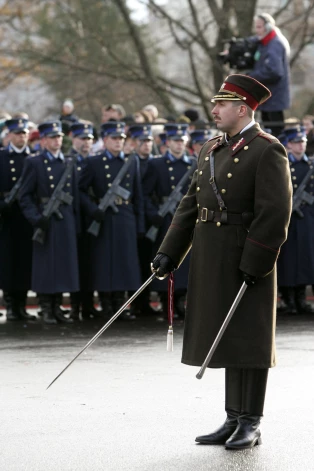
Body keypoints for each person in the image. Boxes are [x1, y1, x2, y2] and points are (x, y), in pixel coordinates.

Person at [151, 74, 292, 449]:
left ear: (242, 109)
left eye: (222, 105)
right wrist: (170, 251)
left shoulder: (267, 149)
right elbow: (191, 203)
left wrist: (256, 262)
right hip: (213, 254)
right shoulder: (211, 148)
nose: (214, 110)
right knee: (227, 336)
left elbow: (275, 213)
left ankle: (251, 421)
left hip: (248, 255)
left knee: (251, 338)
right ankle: (232, 417)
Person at [79, 121, 144, 321]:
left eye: (121, 139)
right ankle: (106, 304)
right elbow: (80, 189)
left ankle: (120, 304)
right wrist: (92, 209)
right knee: (104, 262)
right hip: (104, 216)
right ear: (105, 140)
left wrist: (140, 224)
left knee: (125, 262)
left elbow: (138, 195)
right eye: (114, 138)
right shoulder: (94, 162)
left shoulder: (131, 161)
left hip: (125, 214)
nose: (118, 142)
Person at [19, 120, 80, 325]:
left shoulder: (68, 161)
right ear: (43, 140)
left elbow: (75, 196)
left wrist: (76, 223)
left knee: (63, 264)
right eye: (53, 137)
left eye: (59, 137)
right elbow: (25, 196)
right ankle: (46, 306)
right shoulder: (34, 162)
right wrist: (36, 218)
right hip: (45, 218)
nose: (57, 140)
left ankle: (57, 307)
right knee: (46, 265)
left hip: (65, 219)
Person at [144, 123, 196, 318]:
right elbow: (147, 194)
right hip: (165, 219)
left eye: (182, 141)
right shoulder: (156, 165)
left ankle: (181, 300)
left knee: (185, 263)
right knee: (165, 258)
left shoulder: (192, 163)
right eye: (175, 141)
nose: (179, 145)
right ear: (167, 143)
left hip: (184, 218)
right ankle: (167, 303)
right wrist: (153, 214)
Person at [0, 118, 35, 321]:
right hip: (7, 217)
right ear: (10, 135)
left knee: (24, 262)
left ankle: (21, 304)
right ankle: (11, 304)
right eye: (18, 133)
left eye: (24, 133)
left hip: (26, 217)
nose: (22, 136)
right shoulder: (3, 157)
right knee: (8, 262)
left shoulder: (33, 158)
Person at [67, 121, 103, 321]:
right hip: (73, 218)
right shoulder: (68, 160)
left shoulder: (95, 161)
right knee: (74, 265)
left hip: (91, 219)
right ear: (74, 139)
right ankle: (75, 306)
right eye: (83, 139)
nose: (86, 143)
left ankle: (88, 304)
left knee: (89, 265)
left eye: (90, 139)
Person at [277, 126, 314, 314]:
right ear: (289, 144)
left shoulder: (309, 166)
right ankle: (289, 297)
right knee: (289, 258)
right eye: (296, 142)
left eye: (303, 142)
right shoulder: (284, 165)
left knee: (306, 258)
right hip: (288, 218)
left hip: (307, 219)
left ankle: (301, 297)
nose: (300, 146)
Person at [248, 13, 290, 136]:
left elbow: (275, 71)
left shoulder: (274, 44)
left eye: (259, 27)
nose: (257, 31)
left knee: (276, 133)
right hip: (268, 98)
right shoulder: (266, 42)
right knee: (269, 132)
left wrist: (252, 76)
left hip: (274, 98)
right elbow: (253, 40)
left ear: (268, 27)